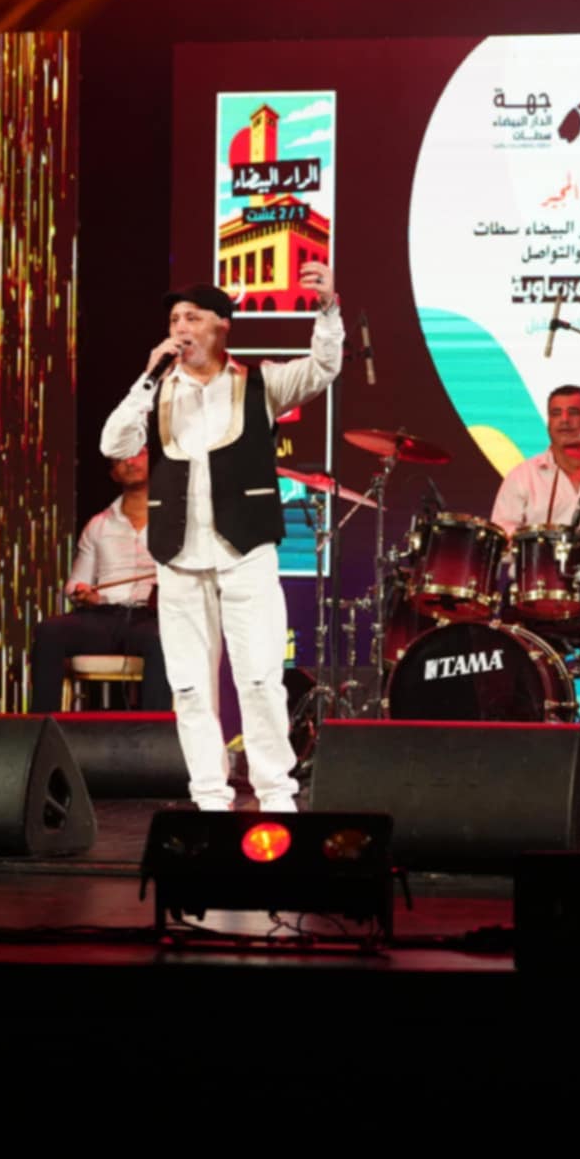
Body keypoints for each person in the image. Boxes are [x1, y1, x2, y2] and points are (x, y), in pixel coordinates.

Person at [101, 264, 341, 812]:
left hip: (245, 552)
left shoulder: (259, 384)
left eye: (192, 318)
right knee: (189, 686)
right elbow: (114, 445)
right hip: (178, 556)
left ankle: (276, 794)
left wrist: (328, 310)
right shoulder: (157, 391)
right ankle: (210, 796)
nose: (180, 329)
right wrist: (146, 379)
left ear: (222, 326)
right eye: (174, 320)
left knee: (258, 679)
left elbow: (323, 367)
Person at [29, 451, 168, 713]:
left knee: (163, 639)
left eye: (137, 454)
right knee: (49, 632)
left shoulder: (175, 520)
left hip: (151, 618)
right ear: (113, 473)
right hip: (104, 616)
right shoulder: (98, 525)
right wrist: (83, 593)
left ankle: (154, 730)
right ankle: (43, 727)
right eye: (121, 458)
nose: (130, 462)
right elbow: (76, 583)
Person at [489, 385, 580, 563]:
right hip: (537, 579)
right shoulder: (522, 476)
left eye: (573, 413)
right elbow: (500, 537)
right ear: (549, 423)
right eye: (556, 413)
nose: (564, 420)